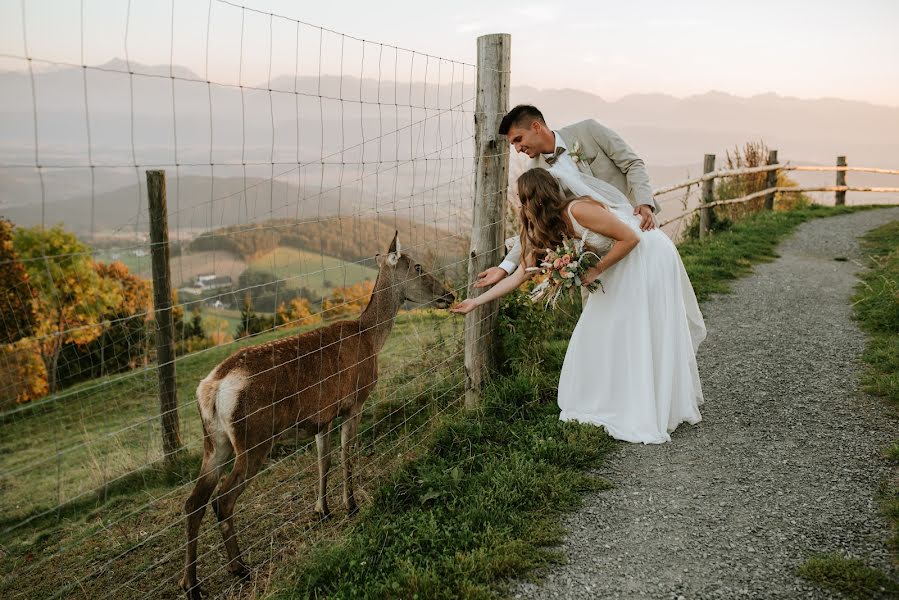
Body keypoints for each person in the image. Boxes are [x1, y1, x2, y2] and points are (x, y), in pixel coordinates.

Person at [451, 168, 706, 444]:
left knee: (635, 325)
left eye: (524, 199)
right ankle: (616, 398)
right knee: (601, 330)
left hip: (649, 255)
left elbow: (631, 238)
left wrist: (595, 270)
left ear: (538, 198)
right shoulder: (545, 227)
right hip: (622, 261)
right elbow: (521, 274)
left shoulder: (578, 210)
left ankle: (645, 403)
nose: (521, 206)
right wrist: (476, 301)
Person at [475, 104, 659, 293]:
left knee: (655, 296)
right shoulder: (534, 175)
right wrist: (505, 267)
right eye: (513, 144)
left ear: (536, 127)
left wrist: (644, 203)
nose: (517, 149)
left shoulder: (589, 130)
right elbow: (533, 227)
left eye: (518, 139)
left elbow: (632, 163)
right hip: (596, 259)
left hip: (638, 226)